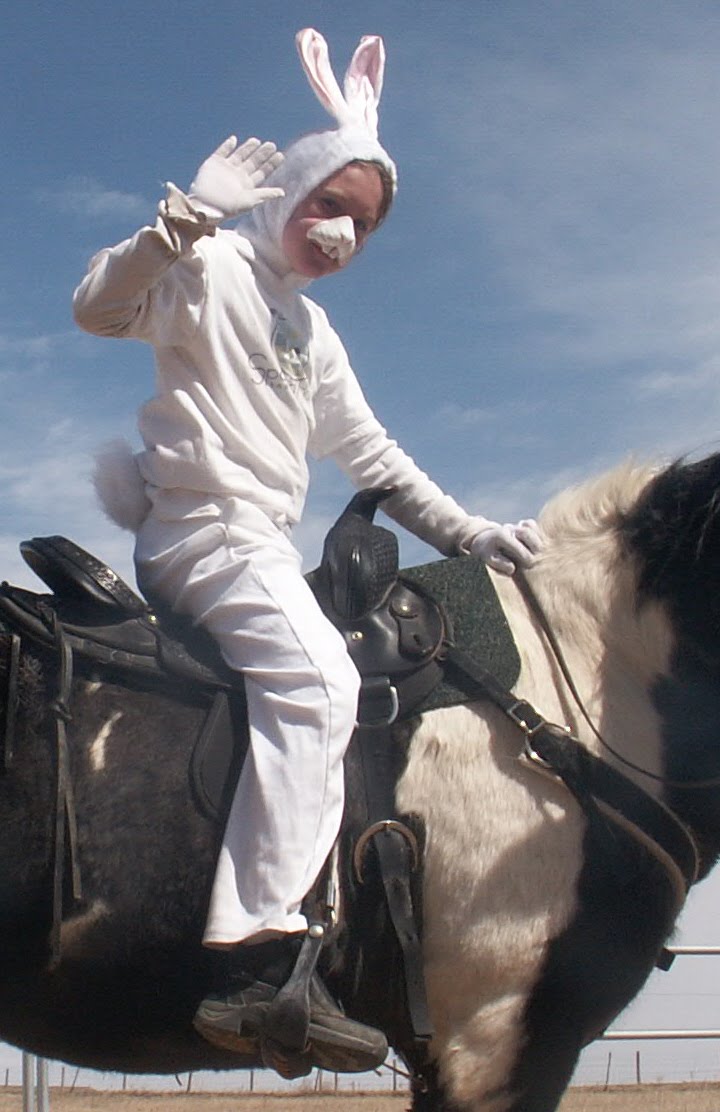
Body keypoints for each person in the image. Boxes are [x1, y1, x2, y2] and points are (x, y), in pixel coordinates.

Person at [72, 28, 543, 1072]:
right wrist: (180, 218)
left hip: (259, 546)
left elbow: (374, 453)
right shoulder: (212, 265)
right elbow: (97, 307)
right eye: (331, 204)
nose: (341, 232)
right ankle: (252, 960)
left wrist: (474, 534)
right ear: (288, 189)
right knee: (322, 680)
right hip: (204, 532)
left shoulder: (316, 338)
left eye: (363, 226)